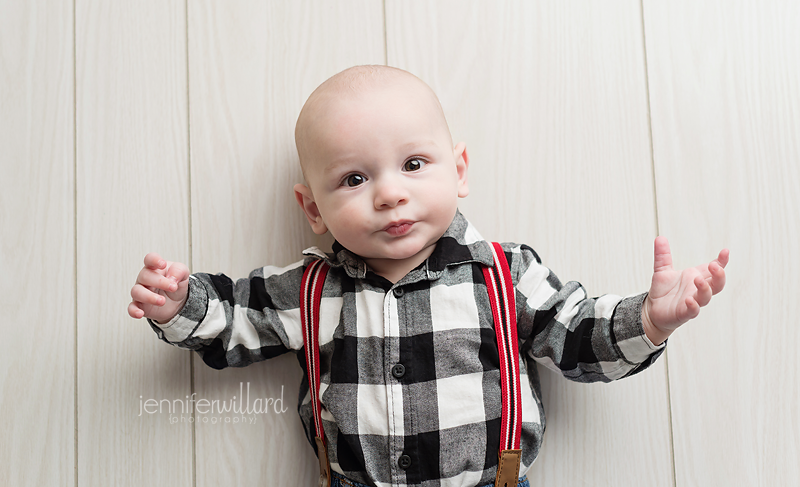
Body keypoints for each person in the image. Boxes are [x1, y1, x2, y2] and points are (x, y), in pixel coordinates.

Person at [128, 65, 729, 487]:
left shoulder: (503, 272)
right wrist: (179, 302)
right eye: (355, 179)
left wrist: (649, 319)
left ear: (459, 169)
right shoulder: (312, 288)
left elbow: (575, 338)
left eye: (414, 164)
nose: (391, 193)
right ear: (313, 208)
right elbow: (235, 321)